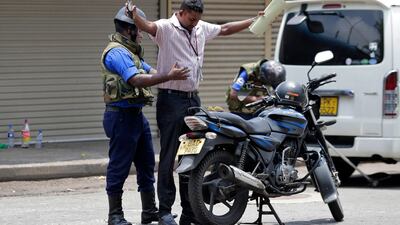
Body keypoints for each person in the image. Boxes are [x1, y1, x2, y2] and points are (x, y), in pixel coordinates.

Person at [127, 0, 264, 224]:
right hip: (171, 101)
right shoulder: (166, 28)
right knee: (170, 156)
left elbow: (226, 28)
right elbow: (148, 26)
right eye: (191, 19)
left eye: (197, 19)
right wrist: (135, 16)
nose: (194, 23)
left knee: (192, 154)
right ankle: (164, 212)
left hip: (193, 100)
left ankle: (189, 212)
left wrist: (253, 20)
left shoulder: (199, 28)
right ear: (180, 13)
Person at [101, 6, 189, 225]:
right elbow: (136, 80)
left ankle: (149, 211)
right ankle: (115, 215)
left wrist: (173, 74)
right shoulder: (117, 52)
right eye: (138, 30)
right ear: (129, 30)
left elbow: (151, 72)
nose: (141, 33)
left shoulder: (131, 53)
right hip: (120, 117)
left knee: (147, 164)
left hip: (135, 116)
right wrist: (168, 76)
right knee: (119, 166)